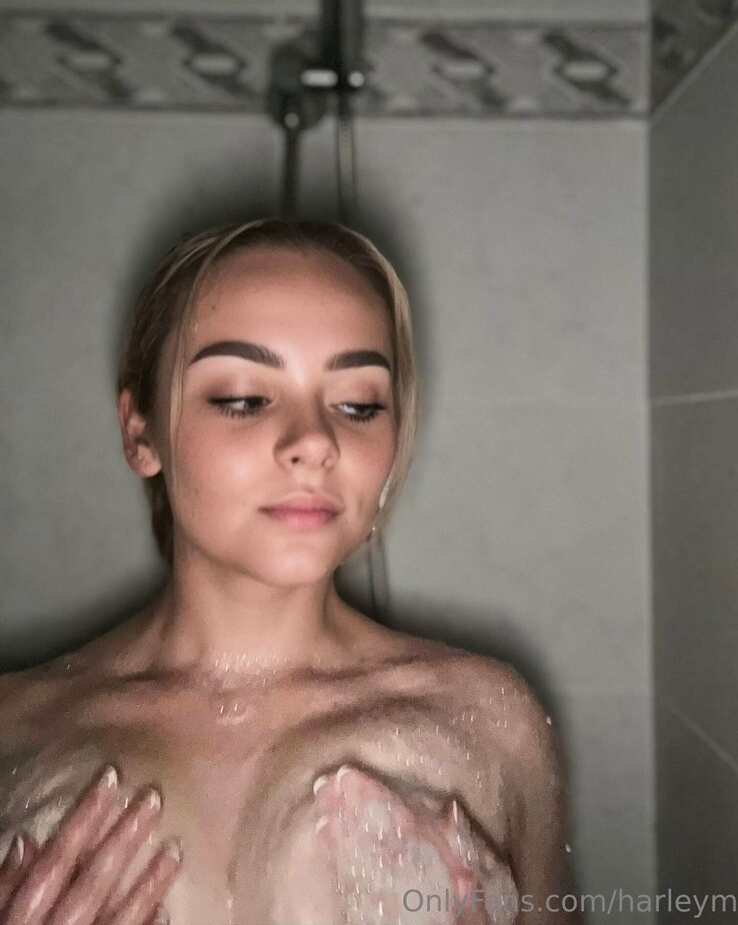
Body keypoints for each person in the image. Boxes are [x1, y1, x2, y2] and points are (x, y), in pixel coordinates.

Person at [0, 218, 584, 924]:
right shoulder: (15, 728)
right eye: (243, 398)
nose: (315, 441)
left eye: (358, 405)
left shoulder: (490, 723)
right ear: (140, 431)